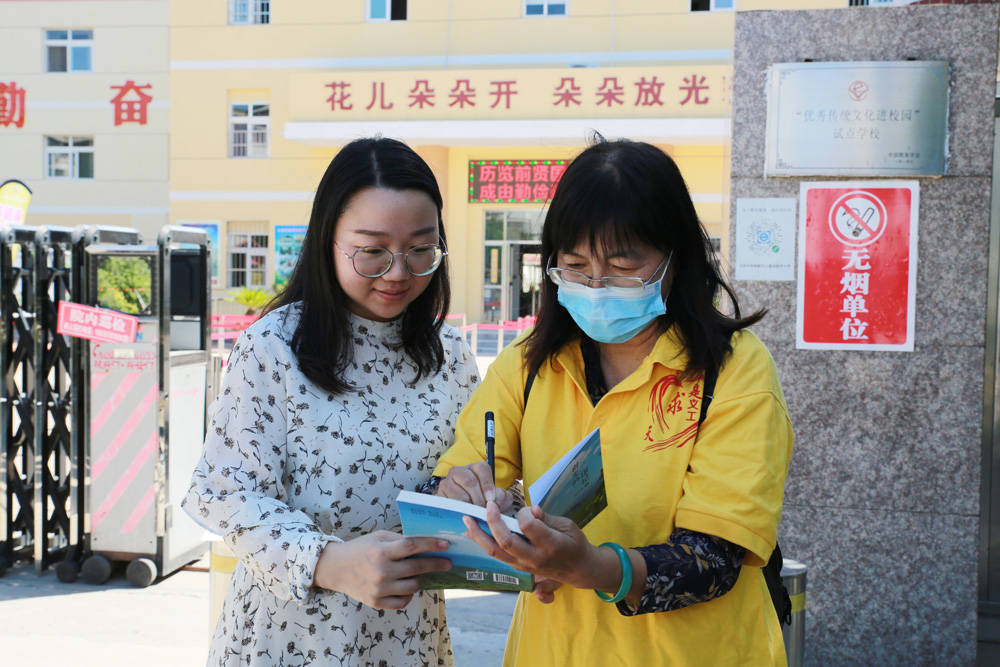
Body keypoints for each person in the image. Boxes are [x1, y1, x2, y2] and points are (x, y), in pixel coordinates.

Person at [432, 139, 794, 666]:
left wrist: (594, 567)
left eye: (623, 267)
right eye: (576, 267)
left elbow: (715, 559)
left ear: (676, 260)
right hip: (554, 652)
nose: (597, 287)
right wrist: (460, 496)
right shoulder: (527, 366)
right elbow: (450, 493)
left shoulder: (734, 371)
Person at [183, 137, 480, 667]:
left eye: (420, 250)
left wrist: (467, 492)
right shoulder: (273, 346)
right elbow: (223, 490)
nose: (398, 272)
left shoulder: (450, 354)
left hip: (407, 636)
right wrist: (328, 561)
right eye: (372, 252)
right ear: (328, 242)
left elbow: (453, 478)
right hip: (291, 638)